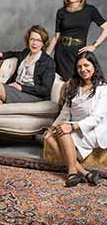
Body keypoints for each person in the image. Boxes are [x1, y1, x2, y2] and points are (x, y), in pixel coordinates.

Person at [44, 52, 107, 187]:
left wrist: (71, 127)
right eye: (79, 67)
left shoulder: (103, 89)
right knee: (48, 137)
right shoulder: (74, 86)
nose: (83, 69)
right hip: (75, 127)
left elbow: (95, 119)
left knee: (63, 129)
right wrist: (52, 128)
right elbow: (65, 112)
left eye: (86, 65)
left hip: (93, 130)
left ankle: (72, 172)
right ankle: (85, 173)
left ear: (94, 66)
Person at [47, 0, 107, 81]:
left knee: (77, 82)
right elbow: (56, 37)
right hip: (61, 52)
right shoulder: (61, 12)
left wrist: (94, 45)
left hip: (77, 52)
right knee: (61, 84)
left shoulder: (90, 10)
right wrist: (45, 56)